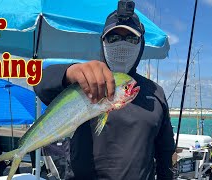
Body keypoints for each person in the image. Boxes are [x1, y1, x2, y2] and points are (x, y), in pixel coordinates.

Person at [34, 4, 175, 180]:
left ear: (141, 45)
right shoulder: (85, 81)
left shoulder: (156, 93)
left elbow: (165, 151)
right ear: (102, 42)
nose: (122, 44)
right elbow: (40, 83)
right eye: (113, 38)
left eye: (131, 38)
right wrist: (69, 72)